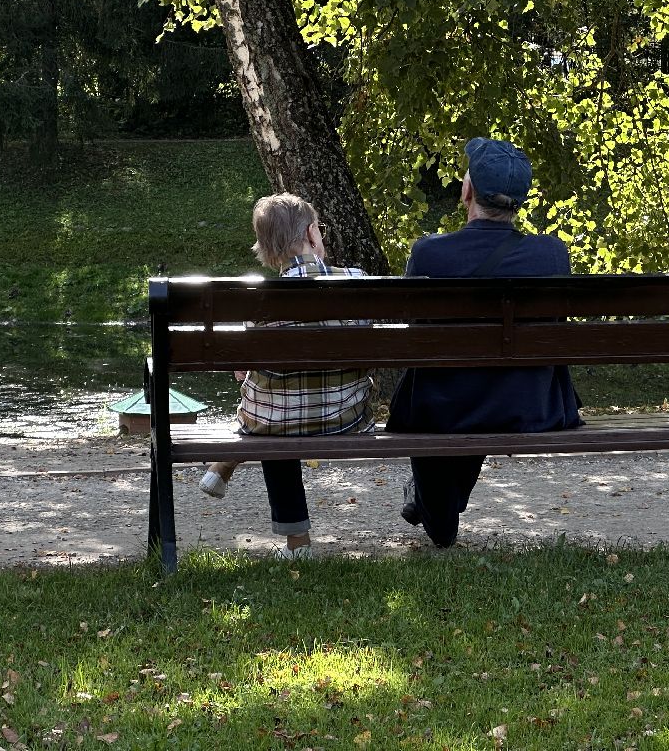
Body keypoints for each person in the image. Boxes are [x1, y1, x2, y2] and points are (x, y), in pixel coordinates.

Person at [388, 137, 582, 547]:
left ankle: (430, 505)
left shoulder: (429, 254)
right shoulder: (551, 255)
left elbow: (411, 325)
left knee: (456, 391)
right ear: (519, 200)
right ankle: (430, 501)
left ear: (467, 191)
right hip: (529, 405)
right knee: (484, 384)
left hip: (442, 408)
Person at [199, 192, 376, 560]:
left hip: (274, 423)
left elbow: (241, 370)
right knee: (278, 409)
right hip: (347, 418)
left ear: (266, 250)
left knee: (274, 415)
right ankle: (224, 466)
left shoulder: (257, 299)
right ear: (313, 234)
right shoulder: (358, 282)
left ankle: (297, 545)